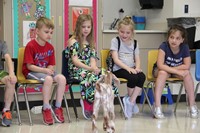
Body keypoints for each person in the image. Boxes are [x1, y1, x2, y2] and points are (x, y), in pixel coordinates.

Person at [22, 17, 66, 125]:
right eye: (46, 32)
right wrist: (45, 71)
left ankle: (58, 107)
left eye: (51, 32)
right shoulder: (30, 45)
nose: (49, 35)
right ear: (37, 31)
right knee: (48, 79)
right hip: (31, 71)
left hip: (45, 71)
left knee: (62, 78)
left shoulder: (50, 47)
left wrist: (49, 69)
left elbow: (51, 64)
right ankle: (46, 108)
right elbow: (29, 66)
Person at [153, 24, 199, 119]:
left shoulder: (185, 47)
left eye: (177, 38)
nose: (174, 40)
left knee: (186, 73)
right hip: (161, 70)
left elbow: (187, 65)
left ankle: (192, 104)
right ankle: (157, 106)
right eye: (172, 37)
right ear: (168, 38)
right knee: (162, 72)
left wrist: (174, 70)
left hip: (174, 69)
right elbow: (160, 65)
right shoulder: (163, 46)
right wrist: (176, 71)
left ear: (182, 40)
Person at [64, 14, 101, 120]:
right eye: (83, 27)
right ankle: (87, 102)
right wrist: (89, 69)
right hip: (76, 69)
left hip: (88, 69)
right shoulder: (73, 41)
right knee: (90, 76)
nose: (86, 29)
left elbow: (93, 59)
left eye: (88, 27)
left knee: (103, 75)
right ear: (78, 26)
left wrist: (94, 68)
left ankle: (95, 101)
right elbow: (75, 61)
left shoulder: (91, 42)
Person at [110, 16, 146, 119]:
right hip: (118, 70)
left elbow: (137, 58)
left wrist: (137, 68)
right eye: (122, 32)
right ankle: (131, 101)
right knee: (133, 77)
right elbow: (116, 60)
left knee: (142, 76)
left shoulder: (135, 43)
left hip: (131, 69)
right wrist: (128, 69)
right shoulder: (115, 41)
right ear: (118, 30)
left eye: (127, 33)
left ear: (132, 32)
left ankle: (130, 101)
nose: (124, 35)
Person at [0, 19, 17, 127]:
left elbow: (7, 58)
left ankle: (6, 111)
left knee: (11, 81)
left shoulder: (2, 43)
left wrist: (11, 73)